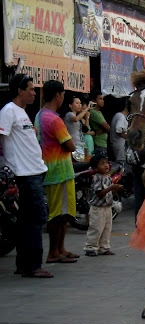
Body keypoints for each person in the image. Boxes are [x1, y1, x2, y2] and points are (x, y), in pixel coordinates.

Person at [0, 74, 51, 278]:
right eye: (30, 88)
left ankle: (24, 264)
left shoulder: (22, 112)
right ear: (19, 90)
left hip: (35, 171)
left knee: (26, 219)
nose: (33, 92)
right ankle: (33, 265)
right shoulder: (8, 111)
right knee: (36, 217)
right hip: (25, 174)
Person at [35, 80, 79, 265]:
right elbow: (70, 145)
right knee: (58, 215)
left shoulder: (40, 115)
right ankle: (54, 251)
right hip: (58, 171)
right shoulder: (54, 119)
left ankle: (60, 249)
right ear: (58, 95)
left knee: (63, 213)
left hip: (54, 170)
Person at [84, 155, 122, 256]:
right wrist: (112, 188)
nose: (106, 165)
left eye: (106, 163)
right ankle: (91, 247)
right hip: (98, 209)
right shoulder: (97, 178)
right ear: (95, 168)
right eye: (102, 164)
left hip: (107, 208)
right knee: (96, 228)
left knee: (106, 228)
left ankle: (104, 247)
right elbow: (99, 193)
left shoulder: (107, 178)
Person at [63, 96, 94, 161]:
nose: (80, 105)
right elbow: (76, 119)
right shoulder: (69, 114)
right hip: (74, 144)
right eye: (77, 103)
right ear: (70, 105)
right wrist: (87, 109)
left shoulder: (78, 117)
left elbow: (86, 129)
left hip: (80, 144)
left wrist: (87, 117)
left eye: (80, 103)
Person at [89, 92, 110, 158]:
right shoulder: (93, 112)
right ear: (94, 101)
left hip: (102, 143)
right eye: (100, 99)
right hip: (98, 143)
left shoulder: (99, 112)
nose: (102, 101)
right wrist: (105, 129)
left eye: (102, 99)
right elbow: (108, 128)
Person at [109, 99, 129, 164]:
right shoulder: (120, 116)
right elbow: (119, 130)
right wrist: (128, 138)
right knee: (121, 162)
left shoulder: (118, 115)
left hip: (117, 144)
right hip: (119, 145)